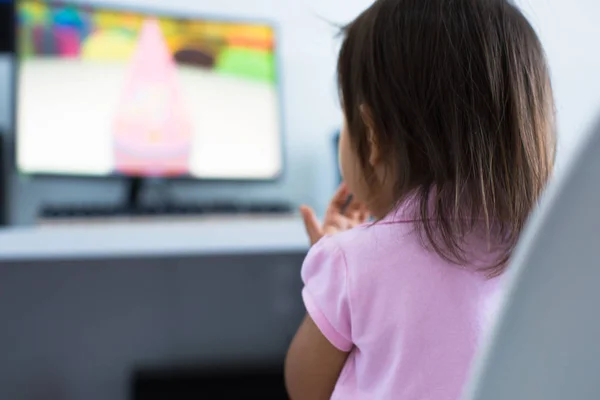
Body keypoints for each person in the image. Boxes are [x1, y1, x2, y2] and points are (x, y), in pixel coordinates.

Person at [284, 0, 556, 398]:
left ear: (372, 137)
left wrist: (335, 265)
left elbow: (306, 387)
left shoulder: (349, 261)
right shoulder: (543, 252)